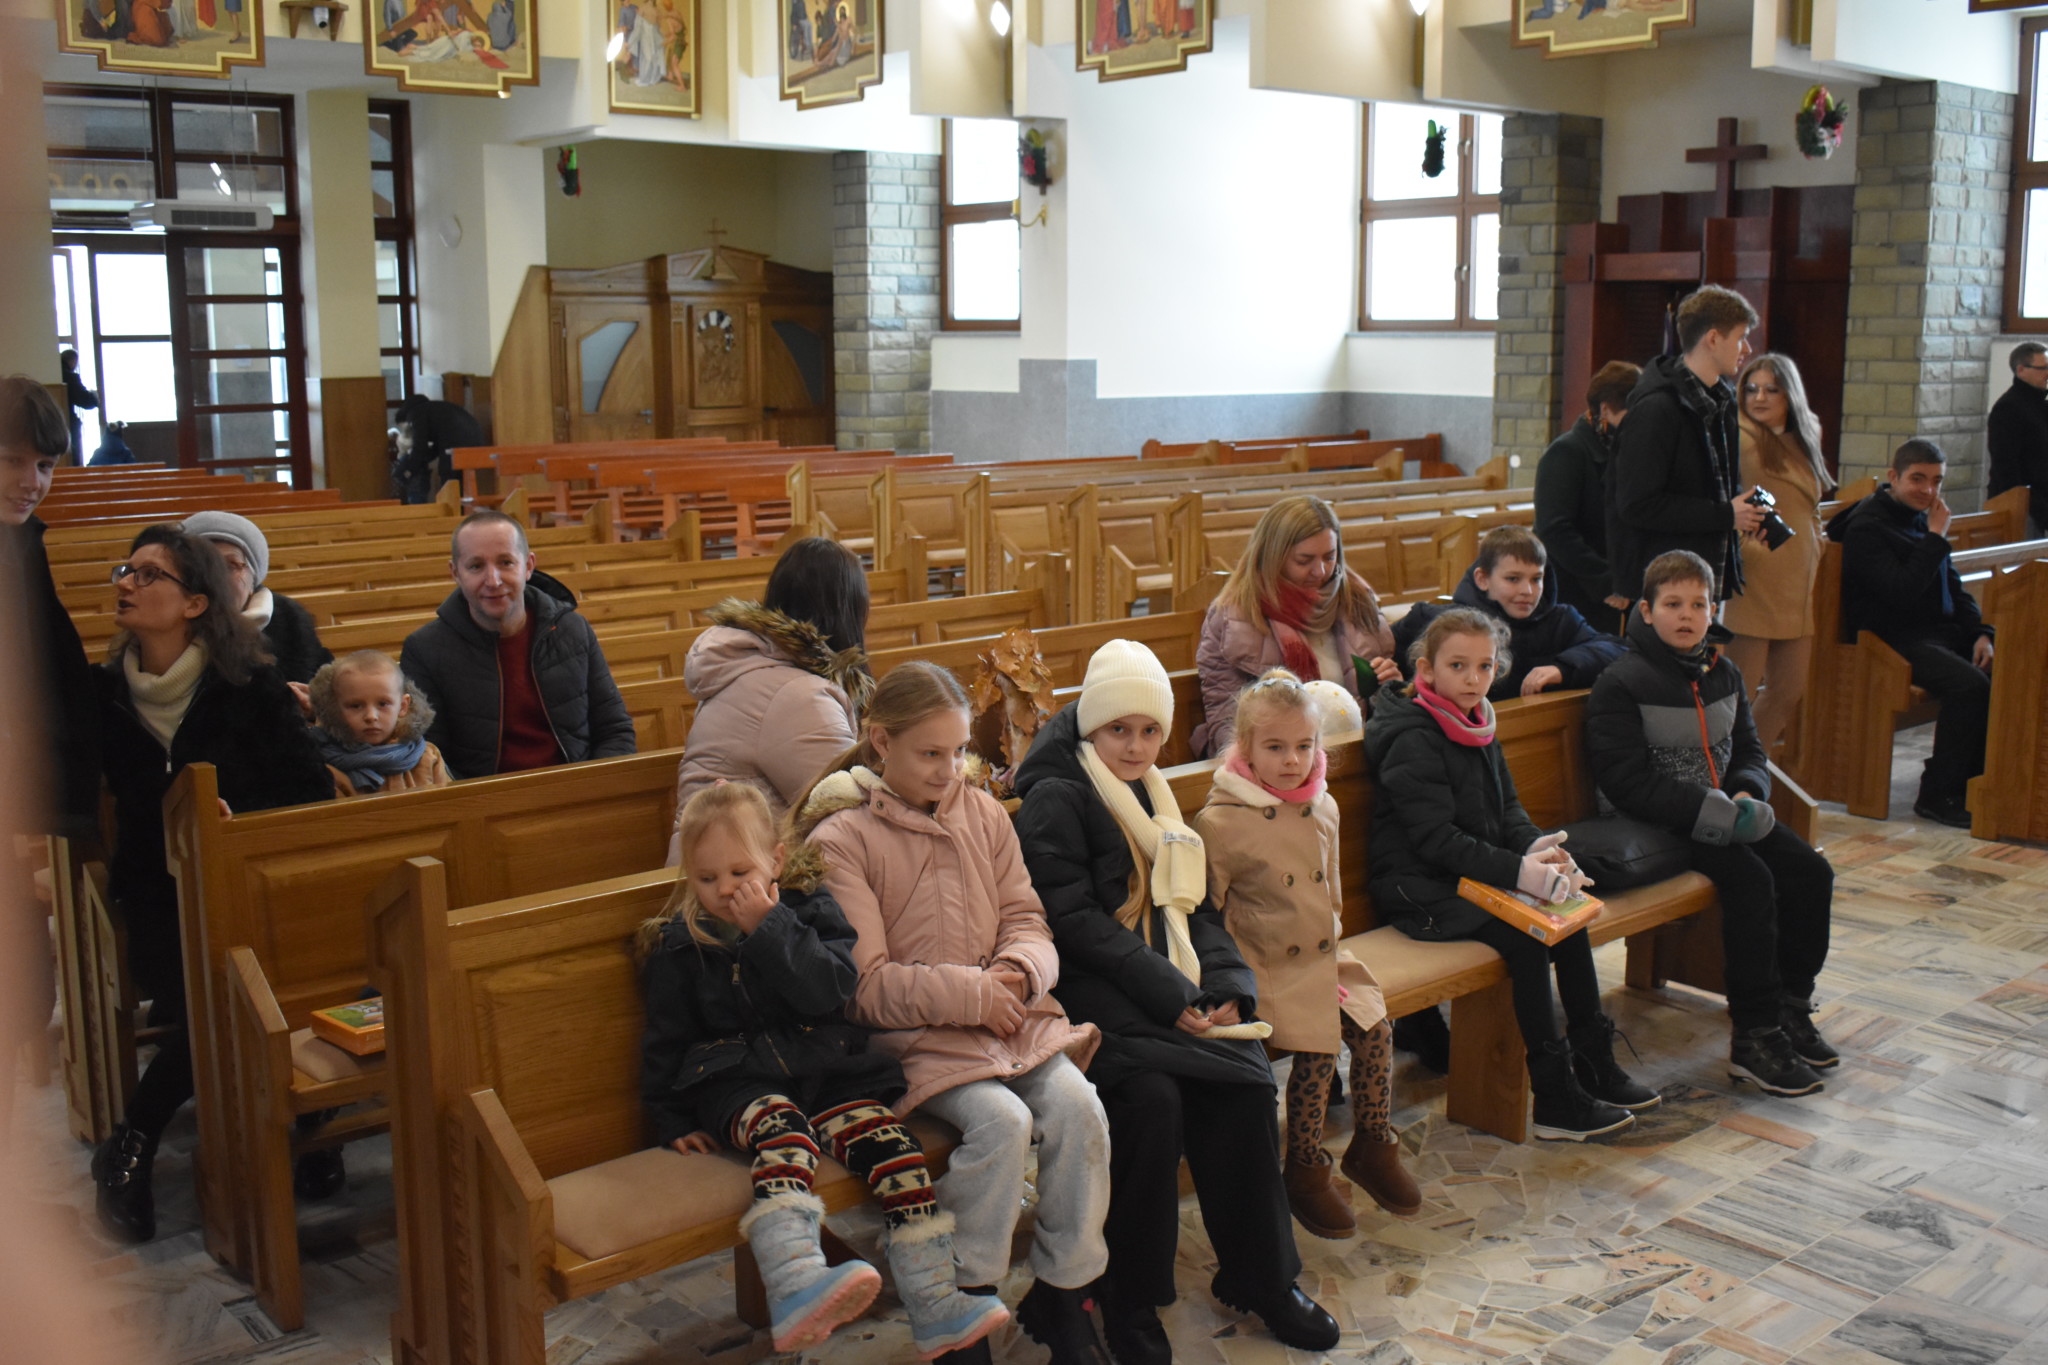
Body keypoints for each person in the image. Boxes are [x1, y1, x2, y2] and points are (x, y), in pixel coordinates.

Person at [1014, 640, 1339, 1363]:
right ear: (1091, 725)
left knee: (1246, 1085)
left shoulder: (1152, 791)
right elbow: (1070, 920)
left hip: (1161, 985)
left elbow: (1194, 911)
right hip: (1089, 998)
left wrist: (1225, 986)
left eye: (1149, 730)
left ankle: (1262, 1278)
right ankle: (1127, 1296)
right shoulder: (1057, 795)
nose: (1136, 746)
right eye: (1118, 729)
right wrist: (1171, 994)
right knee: (1151, 1103)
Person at [790, 663, 1112, 1365]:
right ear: (881, 742)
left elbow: (1027, 916)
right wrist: (976, 995)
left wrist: (1021, 971)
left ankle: (1066, 1294)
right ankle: (961, 1309)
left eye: (959, 750)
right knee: (1003, 1123)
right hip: (916, 1040)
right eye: (930, 753)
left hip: (1009, 1021)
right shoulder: (842, 839)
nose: (949, 770)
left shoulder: (984, 813)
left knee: (1081, 1108)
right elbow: (864, 986)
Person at [639, 783, 1005, 1359]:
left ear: (776, 860)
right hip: (737, 1083)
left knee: (897, 1152)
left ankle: (935, 1303)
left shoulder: (811, 911)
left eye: (740, 872)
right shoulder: (682, 944)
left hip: (826, 1072)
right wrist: (670, 1119)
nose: (725, 890)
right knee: (786, 1137)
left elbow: (828, 991)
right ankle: (795, 1285)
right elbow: (665, 1041)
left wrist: (771, 927)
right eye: (707, 878)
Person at [90, 525, 332, 1242]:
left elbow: (309, 792)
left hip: (248, 881)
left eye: (148, 574)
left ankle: (304, 1115)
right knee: (215, 1001)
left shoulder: (249, 685)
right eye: (126, 571)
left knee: (259, 986)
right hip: (158, 892)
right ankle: (136, 1140)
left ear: (195, 602)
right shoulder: (103, 695)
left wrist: (237, 818)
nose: (126, 584)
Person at [1366, 609, 1656, 1141]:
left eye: (1484, 666)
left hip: (1464, 877)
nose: (1473, 679)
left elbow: (1508, 810)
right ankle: (1554, 1096)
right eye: (1458, 666)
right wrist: (1520, 871)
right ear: (1426, 670)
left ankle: (1595, 1063)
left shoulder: (1476, 719)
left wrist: (1541, 850)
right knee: (1526, 941)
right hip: (1416, 888)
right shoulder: (1412, 734)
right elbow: (1435, 840)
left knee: (1566, 921)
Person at [1586, 550, 1837, 1095]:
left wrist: (1748, 791)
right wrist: (1711, 810)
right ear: (1646, 611)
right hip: (1659, 825)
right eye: (1673, 604)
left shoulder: (1723, 672)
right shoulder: (1622, 682)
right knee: (1752, 881)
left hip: (1725, 812)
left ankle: (1792, 1006)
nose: (1687, 615)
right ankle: (1755, 1036)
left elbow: (1749, 748)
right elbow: (1627, 782)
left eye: (1698, 604)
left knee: (1810, 872)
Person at [1192, 670, 1418, 1241]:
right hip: (1264, 966)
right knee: (1318, 1050)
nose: (1292, 760)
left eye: (1304, 745)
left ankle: (1373, 1145)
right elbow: (1205, 915)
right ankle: (1305, 1167)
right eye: (1275, 747)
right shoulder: (1221, 821)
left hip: (1321, 957)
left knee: (1375, 1028)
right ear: (1246, 749)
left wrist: (1330, 961)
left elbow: (1330, 895)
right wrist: (1222, 987)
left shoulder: (1323, 806)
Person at [667, 537, 872, 864]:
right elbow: (851, 808)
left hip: (727, 867)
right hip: (735, 880)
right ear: (849, 612)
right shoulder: (797, 696)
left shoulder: (763, 667)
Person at [1827, 440, 1994, 828]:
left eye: (1936, 481)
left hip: (1933, 633)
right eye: (1918, 479)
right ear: (1894, 476)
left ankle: (1974, 784)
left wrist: (1981, 634)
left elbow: (1954, 588)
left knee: (2004, 666)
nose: (1929, 490)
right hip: (1888, 641)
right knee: (1969, 686)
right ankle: (1937, 794)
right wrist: (1935, 537)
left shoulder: (1921, 517)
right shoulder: (1867, 527)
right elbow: (1899, 593)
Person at [399, 510, 636, 778]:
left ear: (528, 566)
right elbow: (430, 759)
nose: (493, 580)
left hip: (578, 787)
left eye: (506, 563)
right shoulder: (424, 650)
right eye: (476, 566)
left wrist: (593, 788)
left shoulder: (573, 630)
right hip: (482, 798)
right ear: (456, 573)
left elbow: (615, 730)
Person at [1192, 493, 1400, 757]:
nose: (1320, 571)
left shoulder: (1357, 598)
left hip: (1357, 750)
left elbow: (1380, 704)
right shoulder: (1233, 616)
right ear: (1274, 557)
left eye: (1330, 557)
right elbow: (1226, 716)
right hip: (1277, 760)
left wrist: (1391, 687)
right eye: (1304, 560)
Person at [1609, 284, 1771, 606]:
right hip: (1665, 588)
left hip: (1706, 577)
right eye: (1740, 337)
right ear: (1713, 339)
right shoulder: (1657, 409)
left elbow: (1715, 484)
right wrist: (1725, 514)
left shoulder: (1722, 400)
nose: (1747, 348)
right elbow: (1637, 504)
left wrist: (1747, 512)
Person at [1720, 354, 1834, 756]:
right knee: (1738, 693)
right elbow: (1718, 495)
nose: (1759, 398)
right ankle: (1724, 772)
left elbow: (1811, 500)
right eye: (1751, 389)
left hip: (1797, 579)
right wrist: (1744, 544)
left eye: (1772, 389)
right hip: (1755, 578)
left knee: (1789, 689)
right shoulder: (1737, 434)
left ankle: (1751, 764)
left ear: (1790, 395)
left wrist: (1816, 541)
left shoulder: (1805, 433)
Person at [1391, 526, 1624, 701]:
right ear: (1483, 579)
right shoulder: (1438, 620)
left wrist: (1564, 668)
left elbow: (1617, 649)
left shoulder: (1561, 620)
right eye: (1513, 579)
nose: (1527, 591)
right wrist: (1387, 671)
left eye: (1536, 579)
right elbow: (1385, 655)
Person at [1535, 360, 1639, 634]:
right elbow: (1554, 529)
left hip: (1614, 590)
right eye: (1633, 415)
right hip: (1574, 592)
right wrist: (1606, 582)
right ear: (1605, 409)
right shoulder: (1567, 452)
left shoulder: (1619, 451)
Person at [181, 510, 333, 686]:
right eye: (205, 565)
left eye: (231, 565)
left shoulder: (292, 624)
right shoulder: (166, 624)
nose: (218, 578)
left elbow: (327, 689)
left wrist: (311, 699)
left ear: (253, 580)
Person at [306, 651, 451, 799]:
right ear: (336, 709)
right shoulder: (326, 767)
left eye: (383, 704)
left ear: (403, 706)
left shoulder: (428, 757)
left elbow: (451, 805)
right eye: (355, 706)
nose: (371, 716)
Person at [1987, 340, 2048, 537]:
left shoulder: (2041, 404)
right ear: (2021, 370)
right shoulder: (2008, 408)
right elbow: (2005, 464)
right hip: (2023, 506)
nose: (2047, 373)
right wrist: (2028, 506)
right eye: (2043, 368)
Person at [390, 394, 483, 504]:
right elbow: (433, 448)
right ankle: (463, 509)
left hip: (456, 446)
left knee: (449, 482)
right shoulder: (435, 408)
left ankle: (454, 511)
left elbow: (420, 446)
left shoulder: (416, 413)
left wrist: (408, 470)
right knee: (461, 484)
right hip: (476, 442)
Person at [59, 350, 98, 467]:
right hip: (68, 425)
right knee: (72, 458)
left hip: (53, 425)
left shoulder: (52, 372)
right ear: (73, 361)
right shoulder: (69, 377)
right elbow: (86, 401)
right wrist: (95, 396)